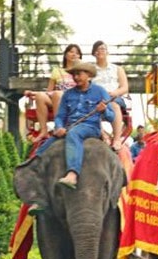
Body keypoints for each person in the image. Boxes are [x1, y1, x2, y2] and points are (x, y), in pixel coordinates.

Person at [28, 61, 121, 214]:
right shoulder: (68, 94)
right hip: (69, 127)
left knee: (74, 133)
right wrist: (59, 127)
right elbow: (60, 116)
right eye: (74, 75)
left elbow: (111, 116)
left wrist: (104, 110)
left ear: (88, 75)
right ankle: (39, 196)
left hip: (90, 127)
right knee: (42, 151)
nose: (76, 77)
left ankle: (72, 173)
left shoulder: (100, 92)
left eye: (79, 74)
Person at [24, 44, 82, 141]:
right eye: (71, 52)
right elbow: (49, 91)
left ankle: (58, 126)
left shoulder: (82, 72)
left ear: (80, 56)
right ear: (65, 55)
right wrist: (35, 93)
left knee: (58, 94)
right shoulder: (57, 71)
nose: (74, 54)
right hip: (57, 99)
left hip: (74, 100)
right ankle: (44, 131)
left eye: (77, 53)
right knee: (41, 96)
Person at [91, 40, 127, 141]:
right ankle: (103, 134)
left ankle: (117, 139)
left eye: (103, 49)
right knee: (91, 105)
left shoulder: (117, 69)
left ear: (107, 52)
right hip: (96, 98)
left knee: (114, 105)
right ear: (94, 53)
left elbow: (124, 87)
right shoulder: (90, 70)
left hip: (113, 97)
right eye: (97, 49)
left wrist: (114, 93)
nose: (100, 51)